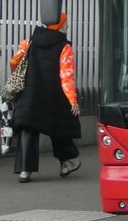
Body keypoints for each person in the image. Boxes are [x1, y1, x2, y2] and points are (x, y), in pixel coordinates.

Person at [9, 12, 81, 183]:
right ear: (61, 25)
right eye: (66, 24)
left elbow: (14, 62)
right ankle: (68, 161)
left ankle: (25, 170)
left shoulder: (29, 42)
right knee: (59, 126)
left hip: (30, 93)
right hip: (53, 94)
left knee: (28, 127)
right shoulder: (64, 47)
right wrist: (72, 100)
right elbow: (66, 76)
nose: (67, 27)